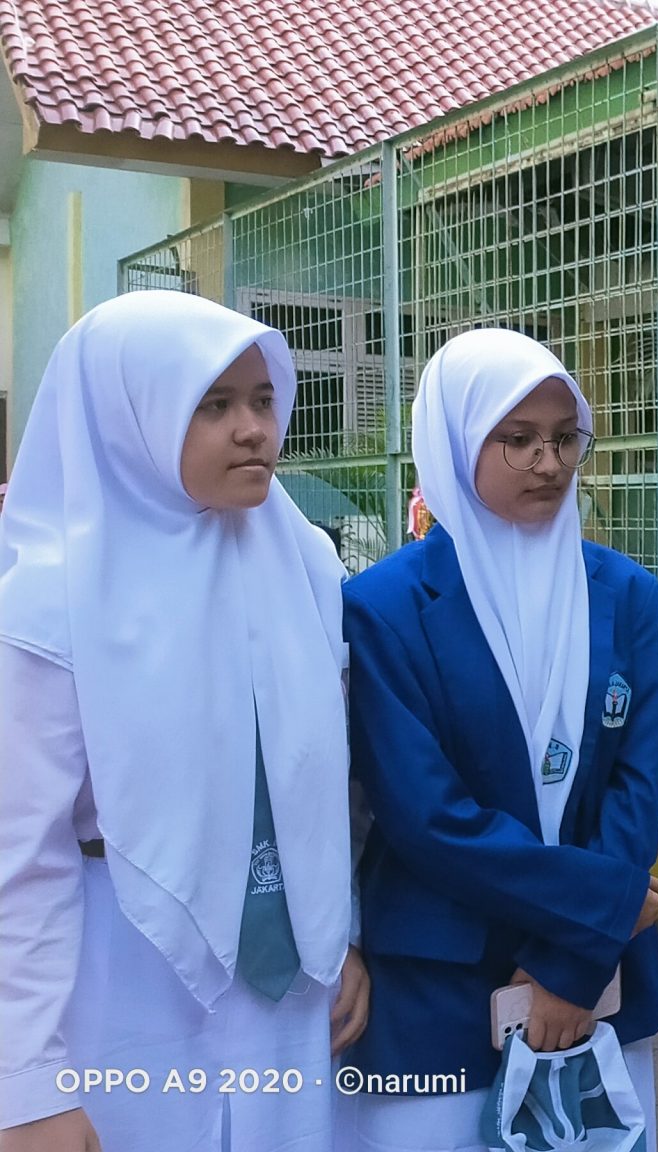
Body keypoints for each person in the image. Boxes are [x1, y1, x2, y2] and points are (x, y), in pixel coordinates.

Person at [0, 291, 363, 1152]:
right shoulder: (51, 600)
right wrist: (29, 1081)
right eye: (214, 405)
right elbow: (21, 857)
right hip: (121, 978)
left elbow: (322, 784)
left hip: (291, 991)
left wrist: (341, 934)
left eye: (264, 400)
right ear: (131, 416)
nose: (253, 429)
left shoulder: (303, 560)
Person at [337, 329, 658, 1151]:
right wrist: (605, 906)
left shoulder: (625, 592)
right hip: (439, 984)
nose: (548, 464)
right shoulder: (383, 606)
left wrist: (574, 960)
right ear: (456, 444)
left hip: (597, 980)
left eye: (564, 438)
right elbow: (426, 816)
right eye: (517, 439)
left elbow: (637, 783)